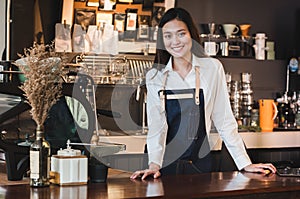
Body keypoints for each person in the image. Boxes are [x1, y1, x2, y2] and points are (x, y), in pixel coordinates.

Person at [130, 7, 276, 180]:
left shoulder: (212, 68)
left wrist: (244, 163)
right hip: (163, 167)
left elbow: (224, 120)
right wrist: (154, 164)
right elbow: (157, 127)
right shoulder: (155, 76)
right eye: (167, 36)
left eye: (181, 34)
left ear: (191, 34)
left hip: (199, 163)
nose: (175, 41)